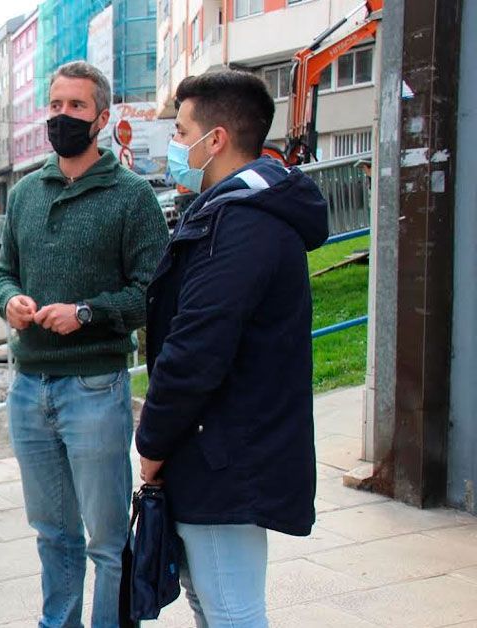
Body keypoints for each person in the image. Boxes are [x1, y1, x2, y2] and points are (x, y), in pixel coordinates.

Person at [136, 70, 328, 627]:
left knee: (232, 612)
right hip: (220, 446)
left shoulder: (241, 225)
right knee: (215, 603)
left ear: (214, 139)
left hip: (225, 454)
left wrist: (152, 443)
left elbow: (196, 348)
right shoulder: (234, 214)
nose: (174, 145)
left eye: (180, 131)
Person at [0, 61, 169, 628]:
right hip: (28, 389)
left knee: (108, 539)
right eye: (56, 105)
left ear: (101, 116)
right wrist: (10, 300)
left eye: (75, 107)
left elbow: (153, 292)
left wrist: (87, 314)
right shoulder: (24, 194)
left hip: (95, 386)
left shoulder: (131, 196)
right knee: (52, 534)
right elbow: (2, 273)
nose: (62, 116)